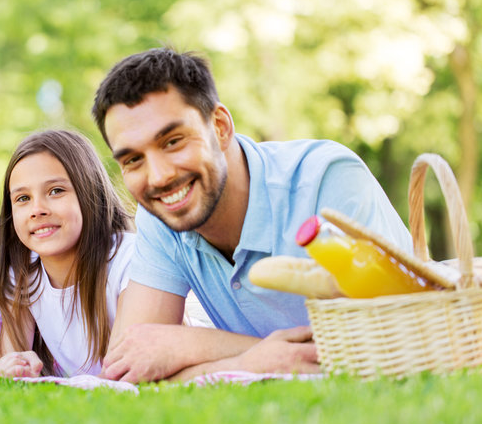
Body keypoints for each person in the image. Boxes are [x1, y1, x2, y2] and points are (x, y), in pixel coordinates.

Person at [92, 47, 411, 383]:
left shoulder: (324, 180)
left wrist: (189, 345)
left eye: (172, 141)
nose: (158, 177)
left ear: (219, 126)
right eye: (132, 160)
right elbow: (129, 369)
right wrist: (252, 361)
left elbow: (385, 342)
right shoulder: (161, 215)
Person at [0, 129, 135, 378]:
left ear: (90, 192)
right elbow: (12, 369)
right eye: (23, 198)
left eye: (56, 191)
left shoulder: (128, 258)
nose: (37, 209)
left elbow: (121, 373)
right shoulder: (22, 273)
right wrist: (9, 371)